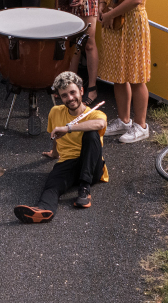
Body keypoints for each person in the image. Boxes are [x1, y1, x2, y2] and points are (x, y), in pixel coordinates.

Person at [13, 71, 108, 223]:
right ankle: (44, 210)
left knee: (91, 135)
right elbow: (56, 137)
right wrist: (55, 153)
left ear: (81, 91)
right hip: (69, 163)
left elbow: (100, 124)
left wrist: (68, 128)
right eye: (64, 95)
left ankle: (84, 190)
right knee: (52, 183)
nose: (70, 98)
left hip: (92, 166)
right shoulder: (55, 112)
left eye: (73, 92)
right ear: (59, 96)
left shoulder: (95, 114)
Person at [99, 0, 152, 144]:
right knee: (118, 76)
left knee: (136, 76)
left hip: (132, 24)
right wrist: (102, 9)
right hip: (112, 24)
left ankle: (141, 125)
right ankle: (124, 120)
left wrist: (110, 15)